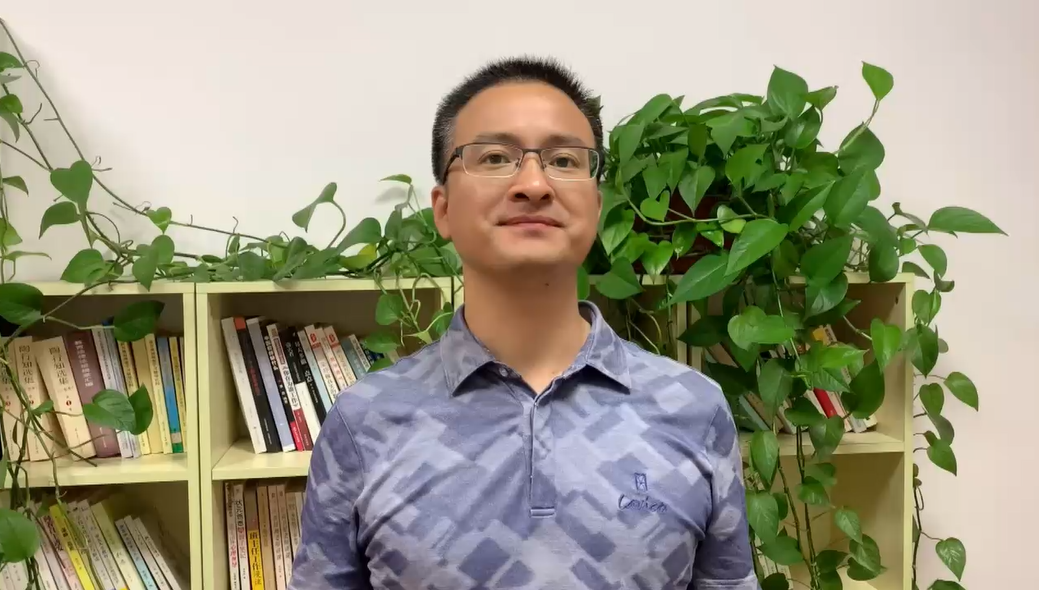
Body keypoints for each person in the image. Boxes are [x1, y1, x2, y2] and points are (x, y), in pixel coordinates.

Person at [289, 56, 759, 589]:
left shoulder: (693, 409)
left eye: (563, 159)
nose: (534, 184)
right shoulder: (365, 421)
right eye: (494, 157)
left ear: (596, 206)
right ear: (442, 209)